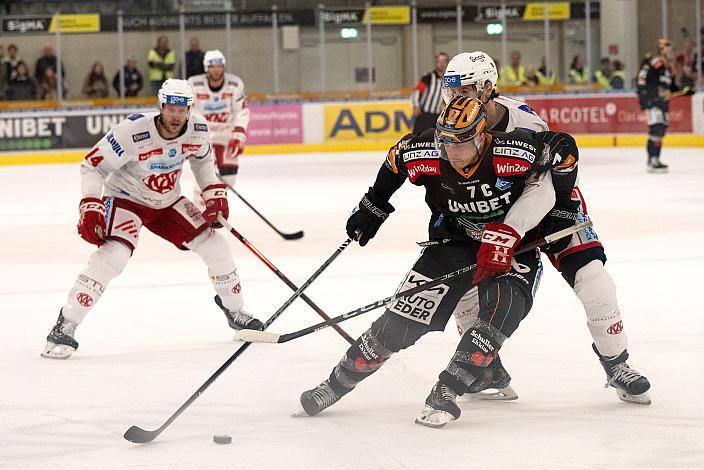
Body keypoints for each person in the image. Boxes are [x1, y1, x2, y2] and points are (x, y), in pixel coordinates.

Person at [299, 96, 582, 427]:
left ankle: (448, 387)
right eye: (446, 142)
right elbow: (395, 159)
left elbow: (565, 150)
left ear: (482, 136)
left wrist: (562, 210)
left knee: (504, 307)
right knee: (401, 322)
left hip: (510, 247)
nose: (453, 151)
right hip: (452, 243)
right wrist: (374, 204)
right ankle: (335, 384)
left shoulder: (511, 151)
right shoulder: (428, 151)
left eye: (462, 143)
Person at [439, 51, 651, 404]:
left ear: (488, 87)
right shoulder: (451, 124)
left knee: (594, 279)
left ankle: (617, 364)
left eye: (463, 92)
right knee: (463, 283)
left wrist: (510, 230)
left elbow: (546, 185)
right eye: (450, 93)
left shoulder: (525, 123)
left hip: (553, 207)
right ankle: (485, 369)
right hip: (493, 212)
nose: (454, 101)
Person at [41, 79, 263, 360]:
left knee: (215, 245)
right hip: (126, 199)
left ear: (190, 109)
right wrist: (91, 204)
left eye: (182, 110)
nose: (176, 116)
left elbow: (203, 161)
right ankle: (66, 324)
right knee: (114, 255)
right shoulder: (132, 131)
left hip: (167, 202)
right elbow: (92, 165)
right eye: (170, 109)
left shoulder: (197, 129)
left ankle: (235, 310)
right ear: (161, 106)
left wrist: (213, 192)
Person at [188, 50, 249, 191]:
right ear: (206, 68)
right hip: (204, 136)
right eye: (212, 67)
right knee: (203, 179)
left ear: (223, 66)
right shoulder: (194, 84)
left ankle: (219, 210)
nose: (216, 70)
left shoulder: (235, 84)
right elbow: (189, 112)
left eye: (219, 66)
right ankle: (201, 210)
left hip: (227, 135)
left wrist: (238, 134)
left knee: (229, 178)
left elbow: (241, 111)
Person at [637, 38, 693, 173]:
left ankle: (655, 158)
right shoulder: (656, 62)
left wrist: (683, 91)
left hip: (662, 103)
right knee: (656, 129)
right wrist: (645, 100)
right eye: (666, 48)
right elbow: (641, 79)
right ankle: (652, 159)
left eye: (670, 48)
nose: (670, 51)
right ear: (661, 50)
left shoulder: (669, 67)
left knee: (660, 130)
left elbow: (670, 87)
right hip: (653, 102)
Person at [410, 52, 448, 135]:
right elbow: (417, 91)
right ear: (436, 63)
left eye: (444, 61)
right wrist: (416, 106)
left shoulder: (448, 79)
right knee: (417, 137)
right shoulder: (428, 77)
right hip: (424, 114)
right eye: (439, 61)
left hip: (437, 115)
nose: (441, 64)